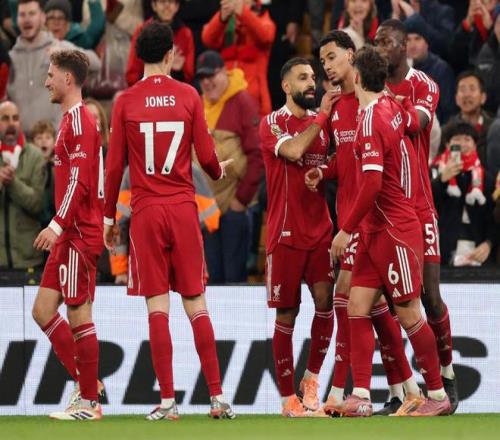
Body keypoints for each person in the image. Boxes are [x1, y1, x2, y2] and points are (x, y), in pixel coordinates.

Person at [103, 21, 235, 420]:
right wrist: (219, 170)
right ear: (170, 54)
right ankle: (217, 398)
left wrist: (109, 217)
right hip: (182, 209)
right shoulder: (189, 95)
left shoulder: (125, 101)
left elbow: (114, 168)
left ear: (139, 55)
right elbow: (207, 159)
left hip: (145, 211)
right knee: (196, 302)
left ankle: (167, 403)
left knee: (157, 306)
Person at [330, 45, 451, 417]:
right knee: (357, 306)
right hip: (376, 229)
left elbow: (371, 184)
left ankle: (437, 394)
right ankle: (361, 395)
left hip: (394, 229)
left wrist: (345, 230)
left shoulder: (370, 119)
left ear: (357, 76)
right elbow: (412, 122)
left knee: (408, 312)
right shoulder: (391, 107)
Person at [306, 30, 422, 417]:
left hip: (372, 218)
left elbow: (402, 138)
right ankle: (406, 388)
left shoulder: (374, 102)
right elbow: (346, 158)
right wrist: (324, 171)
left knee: (352, 298)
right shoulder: (338, 107)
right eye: (322, 60)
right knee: (371, 306)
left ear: (352, 58)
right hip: (353, 214)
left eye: (332, 57)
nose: (326, 66)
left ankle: (346, 392)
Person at [374, 18, 458, 414]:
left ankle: (447, 376)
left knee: (429, 296)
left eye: (387, 42)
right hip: (382, 210)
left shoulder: (424, 85)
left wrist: (381, 103)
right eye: (376, 42)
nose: (380, 48)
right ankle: (401, 390)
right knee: (384, 304)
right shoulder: (370, 85)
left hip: (419, 207)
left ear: (404, 45)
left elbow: (417, 124)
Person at [259, 57, 336, 417]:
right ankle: (288, 398)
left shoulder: (325, 122)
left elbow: (336, 161)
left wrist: (325, 170)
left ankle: (312, 379)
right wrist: (322, 117)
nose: (311, 83)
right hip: (285, 234)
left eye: (313, 77)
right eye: (303, 78)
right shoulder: (272, 123)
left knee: (326, 303)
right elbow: (293, 150)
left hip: (321, 231)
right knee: (287, 314)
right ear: (286, 86)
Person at [31, 49, 105, 420]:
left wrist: (57, 224)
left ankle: (89, 402)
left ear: (68, 79)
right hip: (69, 232)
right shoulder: (69, 121)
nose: (46, 81)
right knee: (43, 310)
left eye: (51, 75)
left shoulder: (81, 121)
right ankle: (89, 383)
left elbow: (80, 181)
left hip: (76, 232)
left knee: (78, 312)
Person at [197, 50, 262, 283]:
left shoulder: (242, 101)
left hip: (234, 210)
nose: (206, 82)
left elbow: (257, 156)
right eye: (202, 78)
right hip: (206, 210)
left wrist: (240, 202)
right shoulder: (198, 104)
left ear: (224, 72)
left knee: (234, 281)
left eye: (211, 75)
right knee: (211, 280)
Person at [7, 0, 101, 135]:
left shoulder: (58, 47)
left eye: (32, 13)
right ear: (17, 19)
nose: (27, 19)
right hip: (22, 143)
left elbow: (96, 64)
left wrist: (66, 55)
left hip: (57, 139)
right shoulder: (10, 58)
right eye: (22, 14)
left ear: (42, 17)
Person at [431, 121, 496, 266]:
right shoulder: (435, 171)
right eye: (457, 139)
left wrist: (489, 243)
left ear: (475, 144)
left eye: (467, 139)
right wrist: (441, 181)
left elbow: (493, 217)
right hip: (442, 251)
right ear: (447, 144)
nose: (462, 144)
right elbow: (425, 206)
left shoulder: (485, 177)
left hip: (478, 252)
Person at [202, 0, 276, 116]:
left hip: (254, 96)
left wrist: (243, 12)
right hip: (224, 95)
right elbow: (207, 39)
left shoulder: (263, 19)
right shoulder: (228, 21)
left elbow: (266, 36)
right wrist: (221, 17)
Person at [0, 101, 46, 270]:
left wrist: (12, 182)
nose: (11, 123)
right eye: (5, 118)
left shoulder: (35, 156)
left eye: (15, 118)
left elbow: (37, 204)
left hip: (29, 260)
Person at [126, 0, 195, 85]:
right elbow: (131, 75)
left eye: (171, 2)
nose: (167, 5)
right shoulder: (141, 31)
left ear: (177, 6)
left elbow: (189, 77)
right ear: (154, 5)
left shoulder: (185, 34)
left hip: (175, 88)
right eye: (162, 1)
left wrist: (178, 71)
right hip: (146, 88)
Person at [405, 20, 455, 124]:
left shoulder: (441, 69)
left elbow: (448, 110)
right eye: (408, 40)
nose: (412, 45)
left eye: (417, 39)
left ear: (427, 42)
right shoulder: (398, 69)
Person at [449, 71, 494, 168]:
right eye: (462, 89)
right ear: (456, 99)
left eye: (472, 89)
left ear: (483, 97)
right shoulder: (448, 130)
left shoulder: (494, 129)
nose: (467, 95)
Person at [31, 119, 57, 230]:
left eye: (48, 137)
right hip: (34, 222)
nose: (43, 141)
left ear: (54, 142)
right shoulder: (30, 167)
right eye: (39, 138)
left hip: (53, 223)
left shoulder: (58, 167)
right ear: (32, 143)